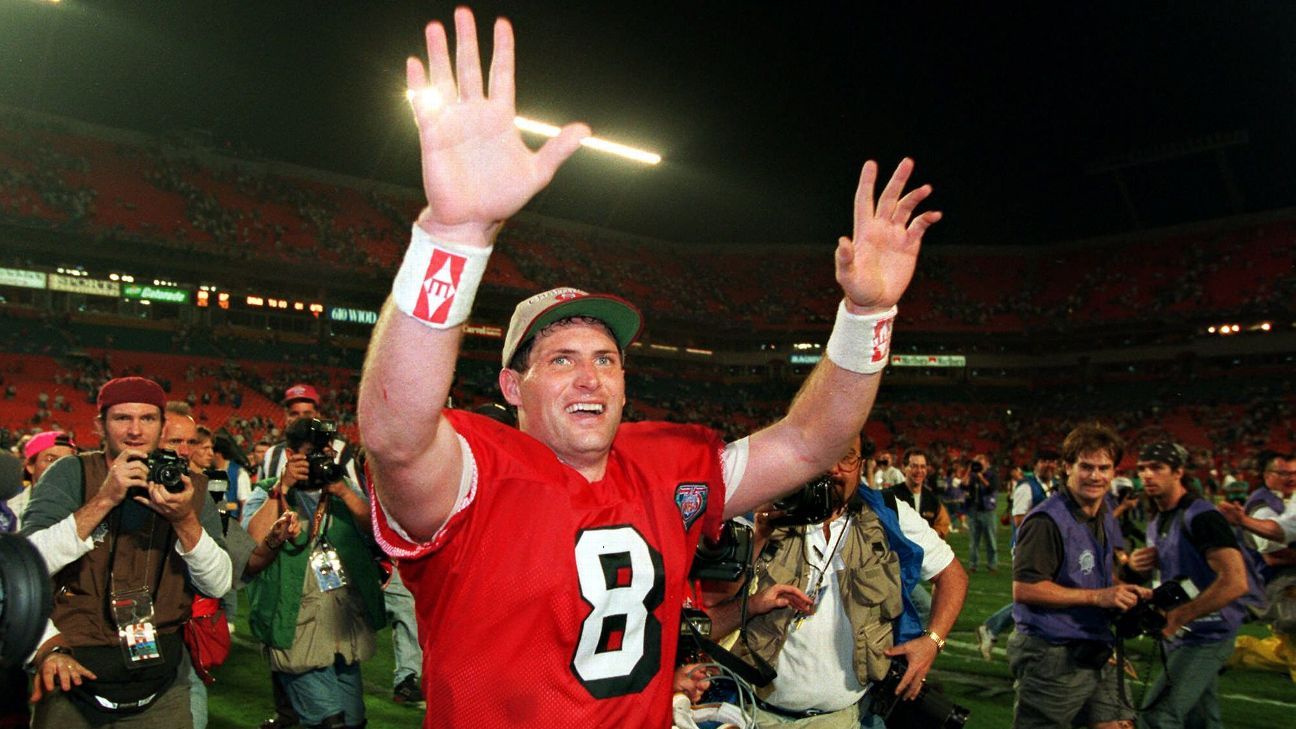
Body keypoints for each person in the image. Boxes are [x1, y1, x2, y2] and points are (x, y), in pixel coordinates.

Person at [357, 8, 940, 727]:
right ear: (512, 385)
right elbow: (396, 435)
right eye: (561, 358)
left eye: (606, 358)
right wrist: (454, 234)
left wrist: (866, 317)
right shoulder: (471, 473)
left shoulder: (669, 467)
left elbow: (810, 441)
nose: (590, 376)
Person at [710, 435, 967, 727]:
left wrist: (932, 642)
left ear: (861, 464)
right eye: (825, 454)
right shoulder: (758, 511)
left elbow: (953, 575)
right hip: (753, 712)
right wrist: (760, 537)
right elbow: (709, 619)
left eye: (847, 457)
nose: (834, 467)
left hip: (843, 718)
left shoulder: (889, 515)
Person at [19, 377, 232, 729]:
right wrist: (104, 499)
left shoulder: (190, 487)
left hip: (161, 686)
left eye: (147, 419)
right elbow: (27, 568)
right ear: (99, 424)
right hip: (74, 679)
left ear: (162, 426)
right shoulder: (71, 473)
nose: (135, 430)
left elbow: (218, 583)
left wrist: (186, 520)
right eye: (122, 419)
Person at [244, 417, 386, 729]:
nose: (322, 458)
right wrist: (282, 487)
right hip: (298, 625)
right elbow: (251, 543)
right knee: (326, 721)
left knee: (353, 721)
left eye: (326, 450)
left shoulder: (341, 491)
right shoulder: (269, 491)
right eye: (312, 452)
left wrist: (344, 492)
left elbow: (379, 532)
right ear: (291, 454)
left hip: (342, 625)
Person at [1008, 423, 1150, 729]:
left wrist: (1127, 589)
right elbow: (1025, 589)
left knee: (1119, 725)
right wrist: (1099, 597)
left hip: (1096, 646)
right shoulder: (1047, 520)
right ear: (1067, 468)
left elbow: (1098, 576)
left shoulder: (1102, 511)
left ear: (1114, 472)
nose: (1095, 476)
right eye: (1086, 466)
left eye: (1104, 467)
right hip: (1053, 653)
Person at [1125, 442, 1258, 729]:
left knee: (1157, 717)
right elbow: (1179, 578)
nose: (1147, 475)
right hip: (1186, 633)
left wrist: (1180, 616)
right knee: (1200, 721)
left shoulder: (1202, 516)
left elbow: (1235, 582)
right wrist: (1134, 568)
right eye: (1142, 469)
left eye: (1157, 468)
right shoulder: (1159, 517)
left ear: (1178, 472)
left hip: (1207, 634)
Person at [978, 449, 1061, 660]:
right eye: (1045, 461)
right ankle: (994, 628)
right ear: (1036, 464)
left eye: (1053, 461)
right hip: (1027, 550)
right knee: (1036, 597)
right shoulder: (1027, 486)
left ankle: (994, 628)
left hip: (1043, 550)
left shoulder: (1048, 488)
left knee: (1041, 598)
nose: (1050, 465)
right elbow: (1019, 520)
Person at [886, 447, 951, 626]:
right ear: (904, 468)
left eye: (922, 467)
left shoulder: (932, 499)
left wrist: (928, 541)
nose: (919, 471)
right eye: (914, 466)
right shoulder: (891, 496)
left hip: (915, 568)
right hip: (893, 567)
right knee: (925, 607)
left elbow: (943, 525)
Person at [964, 453, 1000, 572]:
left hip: (987, 511)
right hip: (974, 510)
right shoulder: (972, 476)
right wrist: (969, 472)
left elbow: (991, 488)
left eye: (980, 462)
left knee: (990, 540)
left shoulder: (992, 475)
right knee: (973, 541)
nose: (977, 464)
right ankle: (973, 565)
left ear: (986, 463)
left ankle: (992, 565)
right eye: (976, 462)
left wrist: (980, 476)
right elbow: (963, 486)